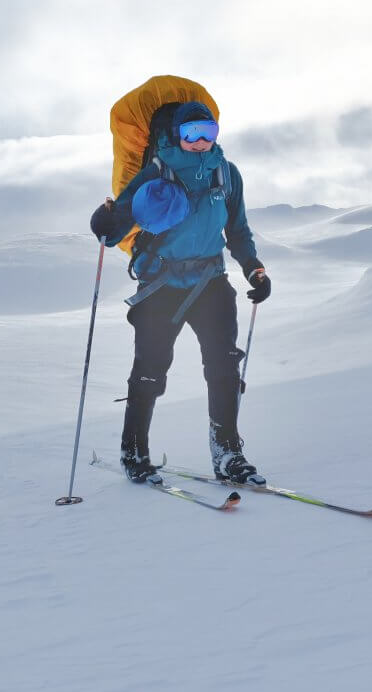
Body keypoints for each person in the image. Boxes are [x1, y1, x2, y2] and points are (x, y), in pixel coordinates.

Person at [90, 100, 271, 485]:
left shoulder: (227, 173)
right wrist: (105, 223)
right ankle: (134, 453)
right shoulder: (157, 171)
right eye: (192, 134)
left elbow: (237, 231)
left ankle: (228, 454)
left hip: (211, 282)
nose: (201, 141)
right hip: (161, 285)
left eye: (209, 133)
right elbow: (121, 220)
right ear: (177, 135)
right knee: (150, 372)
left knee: (224, 367)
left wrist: (254, 269)